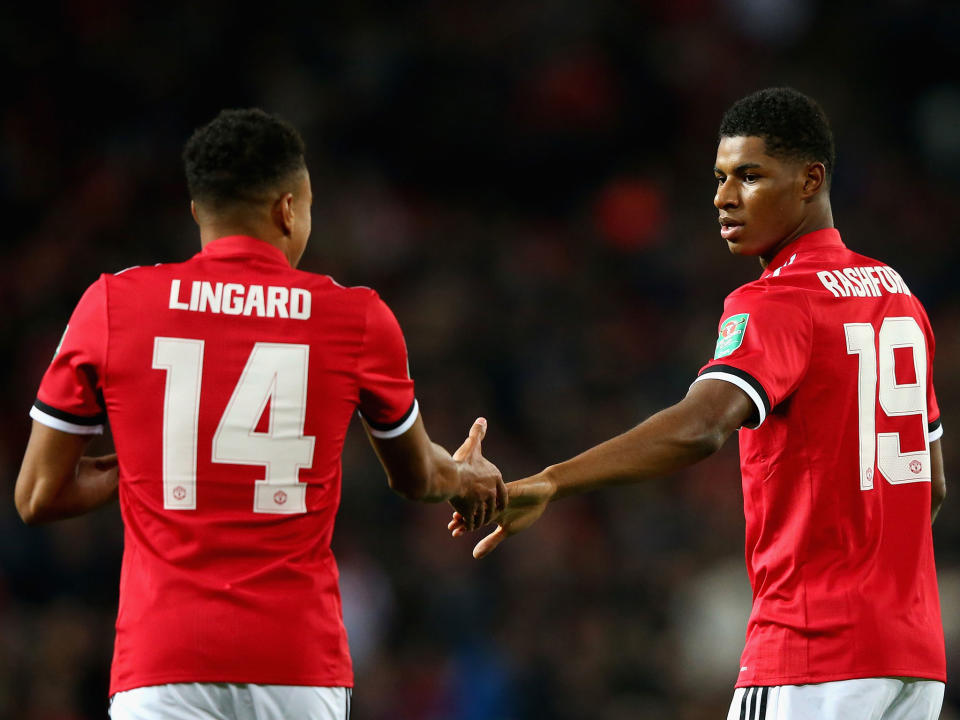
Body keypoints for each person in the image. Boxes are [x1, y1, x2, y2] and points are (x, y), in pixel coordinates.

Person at [452, 87, 946, 719]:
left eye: (750, 176)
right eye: (719, 178)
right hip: (912, 662)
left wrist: (550, 481)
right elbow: (929, 487)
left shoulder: (775, 299)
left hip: (810, 658)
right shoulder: (899, 296)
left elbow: (702, 426)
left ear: (810, 179)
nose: (723, 197)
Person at [15, 108, 505, 720]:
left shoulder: (112, 304)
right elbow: (417, 479)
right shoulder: (355, 318)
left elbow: (36, 494)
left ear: (198, 212)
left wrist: (151, 463)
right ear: (288, 209)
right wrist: (467, 477)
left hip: (162, 666)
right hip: (296, 669)